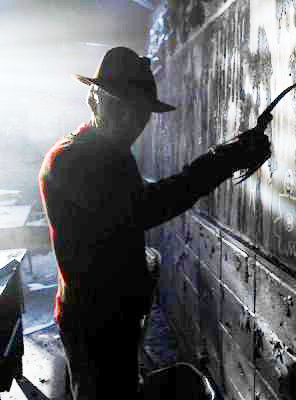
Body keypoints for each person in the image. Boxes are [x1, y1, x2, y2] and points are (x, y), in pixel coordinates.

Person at [38, 47, 272, 400]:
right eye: (120, 107)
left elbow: (128, 213)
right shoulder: (73, 158)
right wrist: (223, 159)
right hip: (94, 319)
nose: (131, 121)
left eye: (140, 112)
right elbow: (143, 208)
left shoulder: (107, 153)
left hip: (115, 311)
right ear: (94, 100)